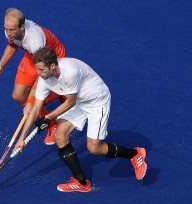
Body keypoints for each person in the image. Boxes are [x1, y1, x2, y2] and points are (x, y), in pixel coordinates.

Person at [13, 47, 147, 192]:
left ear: (52, 66)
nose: (38, 74)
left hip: (97, 101)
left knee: (94, 148)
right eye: (37, 70)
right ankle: (81, 182)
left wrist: (49, 117)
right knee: (60, 135)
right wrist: (22, 139)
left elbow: (70, 102)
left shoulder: (69, 72)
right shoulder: (44, 79)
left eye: (41, 70)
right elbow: (35, 110)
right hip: (79, 101)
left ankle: (134, 154)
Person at [0, 8, 66, 145]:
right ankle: (53, 117)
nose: (8, 33)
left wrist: (31, 102)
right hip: (33, 56)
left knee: (37, 100)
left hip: (52, 59)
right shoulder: (11, 31)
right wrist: (0, 67)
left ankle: (52, 123)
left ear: (22, 27)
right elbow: (12, 45)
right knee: (18, 96)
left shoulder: (35, 41)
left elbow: (41, 77)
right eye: (6, 29)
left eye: (11, 30)